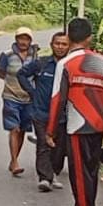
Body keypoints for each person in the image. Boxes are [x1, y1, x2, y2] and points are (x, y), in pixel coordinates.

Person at [46, 17, 103, 206]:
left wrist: (51, 130)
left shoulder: (65, 63)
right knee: (91, 169)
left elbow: (58, 99)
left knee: (79, 172)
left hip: (77, 124)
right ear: (90, 37)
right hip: (99, 123)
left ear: (69, 37)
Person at [19, 31, 69, 192]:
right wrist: (32, 92)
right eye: (57, 43)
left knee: (58, 147)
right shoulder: (41, 63)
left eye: (64, 44)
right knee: (43, 143)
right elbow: (22, 74)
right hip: (40, 111)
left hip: (62, 114)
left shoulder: (70, 65)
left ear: (69, 46)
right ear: (51, 45)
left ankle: (53, 173)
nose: (60, 47)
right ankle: (44, 178)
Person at [0, 27, 37, 178]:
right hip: (10, 96)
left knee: (22, 130)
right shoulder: (6, 55)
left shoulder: (35, 57)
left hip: (29, 98)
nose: (23, 42)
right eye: (21, 38)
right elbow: (1, 73)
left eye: (26, 39)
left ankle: (14, 159)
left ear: (30, 41)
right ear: (16, 39)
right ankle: (14, 162)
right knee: (14, 129)